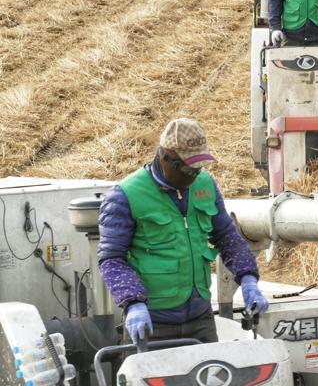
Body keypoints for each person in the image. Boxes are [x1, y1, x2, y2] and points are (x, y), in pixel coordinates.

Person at [98, 118, 269, 345]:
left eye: (199, 168)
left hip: (200, 318)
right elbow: (111, 259)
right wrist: (133, 302)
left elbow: (227, 237)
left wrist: (248, 278)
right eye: (188, 168)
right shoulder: (125, 196)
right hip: (151, 322)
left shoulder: (205, 185)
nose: (194, 174)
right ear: (165, 157)